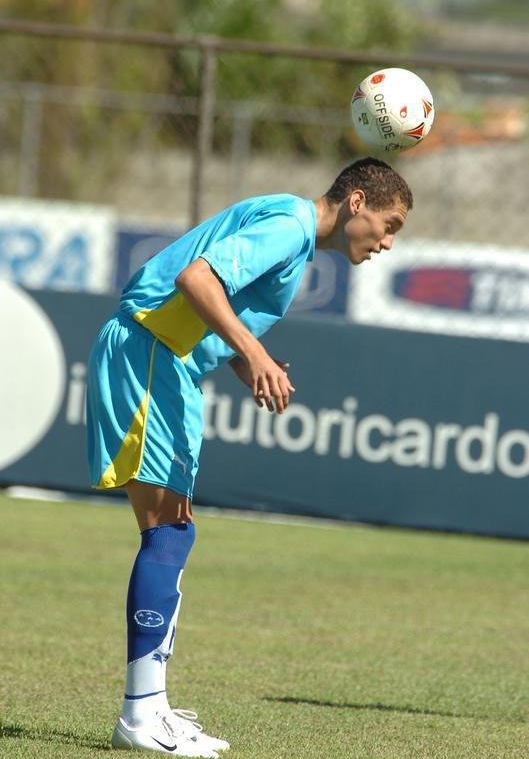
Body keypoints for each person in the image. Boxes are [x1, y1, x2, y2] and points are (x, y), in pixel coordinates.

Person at [86, 156, 412, 757]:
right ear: (358, 201)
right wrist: (255, 353)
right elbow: (196, 280)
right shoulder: (290, 225)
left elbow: (211, 300)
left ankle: (151, 706)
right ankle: (140, 713)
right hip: (148, 351)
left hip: (166, 356)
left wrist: (241, 360)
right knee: (167, 534)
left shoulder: (292, 227)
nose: (389, 242)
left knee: (174, 533)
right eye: (390, 224)